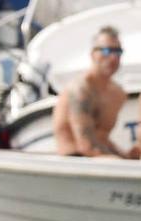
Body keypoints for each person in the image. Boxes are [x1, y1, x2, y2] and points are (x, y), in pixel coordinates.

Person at [52, 26, 138, 158]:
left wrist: (127, 156)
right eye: (106, 50)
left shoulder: (118, 94)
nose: (113, 57)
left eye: (118, 51)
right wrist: (122, 163)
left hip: (99, 163)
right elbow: (85, 146)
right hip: (74, 162)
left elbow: (101, 139)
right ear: (92, 54)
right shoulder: (80, 90)